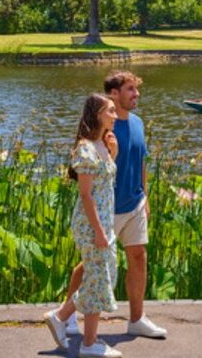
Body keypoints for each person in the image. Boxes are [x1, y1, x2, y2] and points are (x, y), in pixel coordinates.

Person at [45, 72, 167, 353]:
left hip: (134, 202)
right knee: (92, 266)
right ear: (113, 94)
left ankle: (136, 319)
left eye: (137, 89)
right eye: (130, 90)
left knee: (138, 256)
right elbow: (89, 183)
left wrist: (145, 195)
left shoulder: (137, 123)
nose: (136, 94)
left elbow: (141, 161)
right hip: (105, 211)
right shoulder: (102, 134)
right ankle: (68, 316)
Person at [45, 94, 121, 358]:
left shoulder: (102, 144)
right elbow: (86, 195)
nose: (115, 114)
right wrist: (99, 231)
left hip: (104, 222)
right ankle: (89, 344)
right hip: (91, 225)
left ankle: (61, 316)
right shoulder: (86, 149)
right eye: (110, 110)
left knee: (104, 274)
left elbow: (106, 182)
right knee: (99, 278)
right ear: (98, 114)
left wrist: (114, 153)